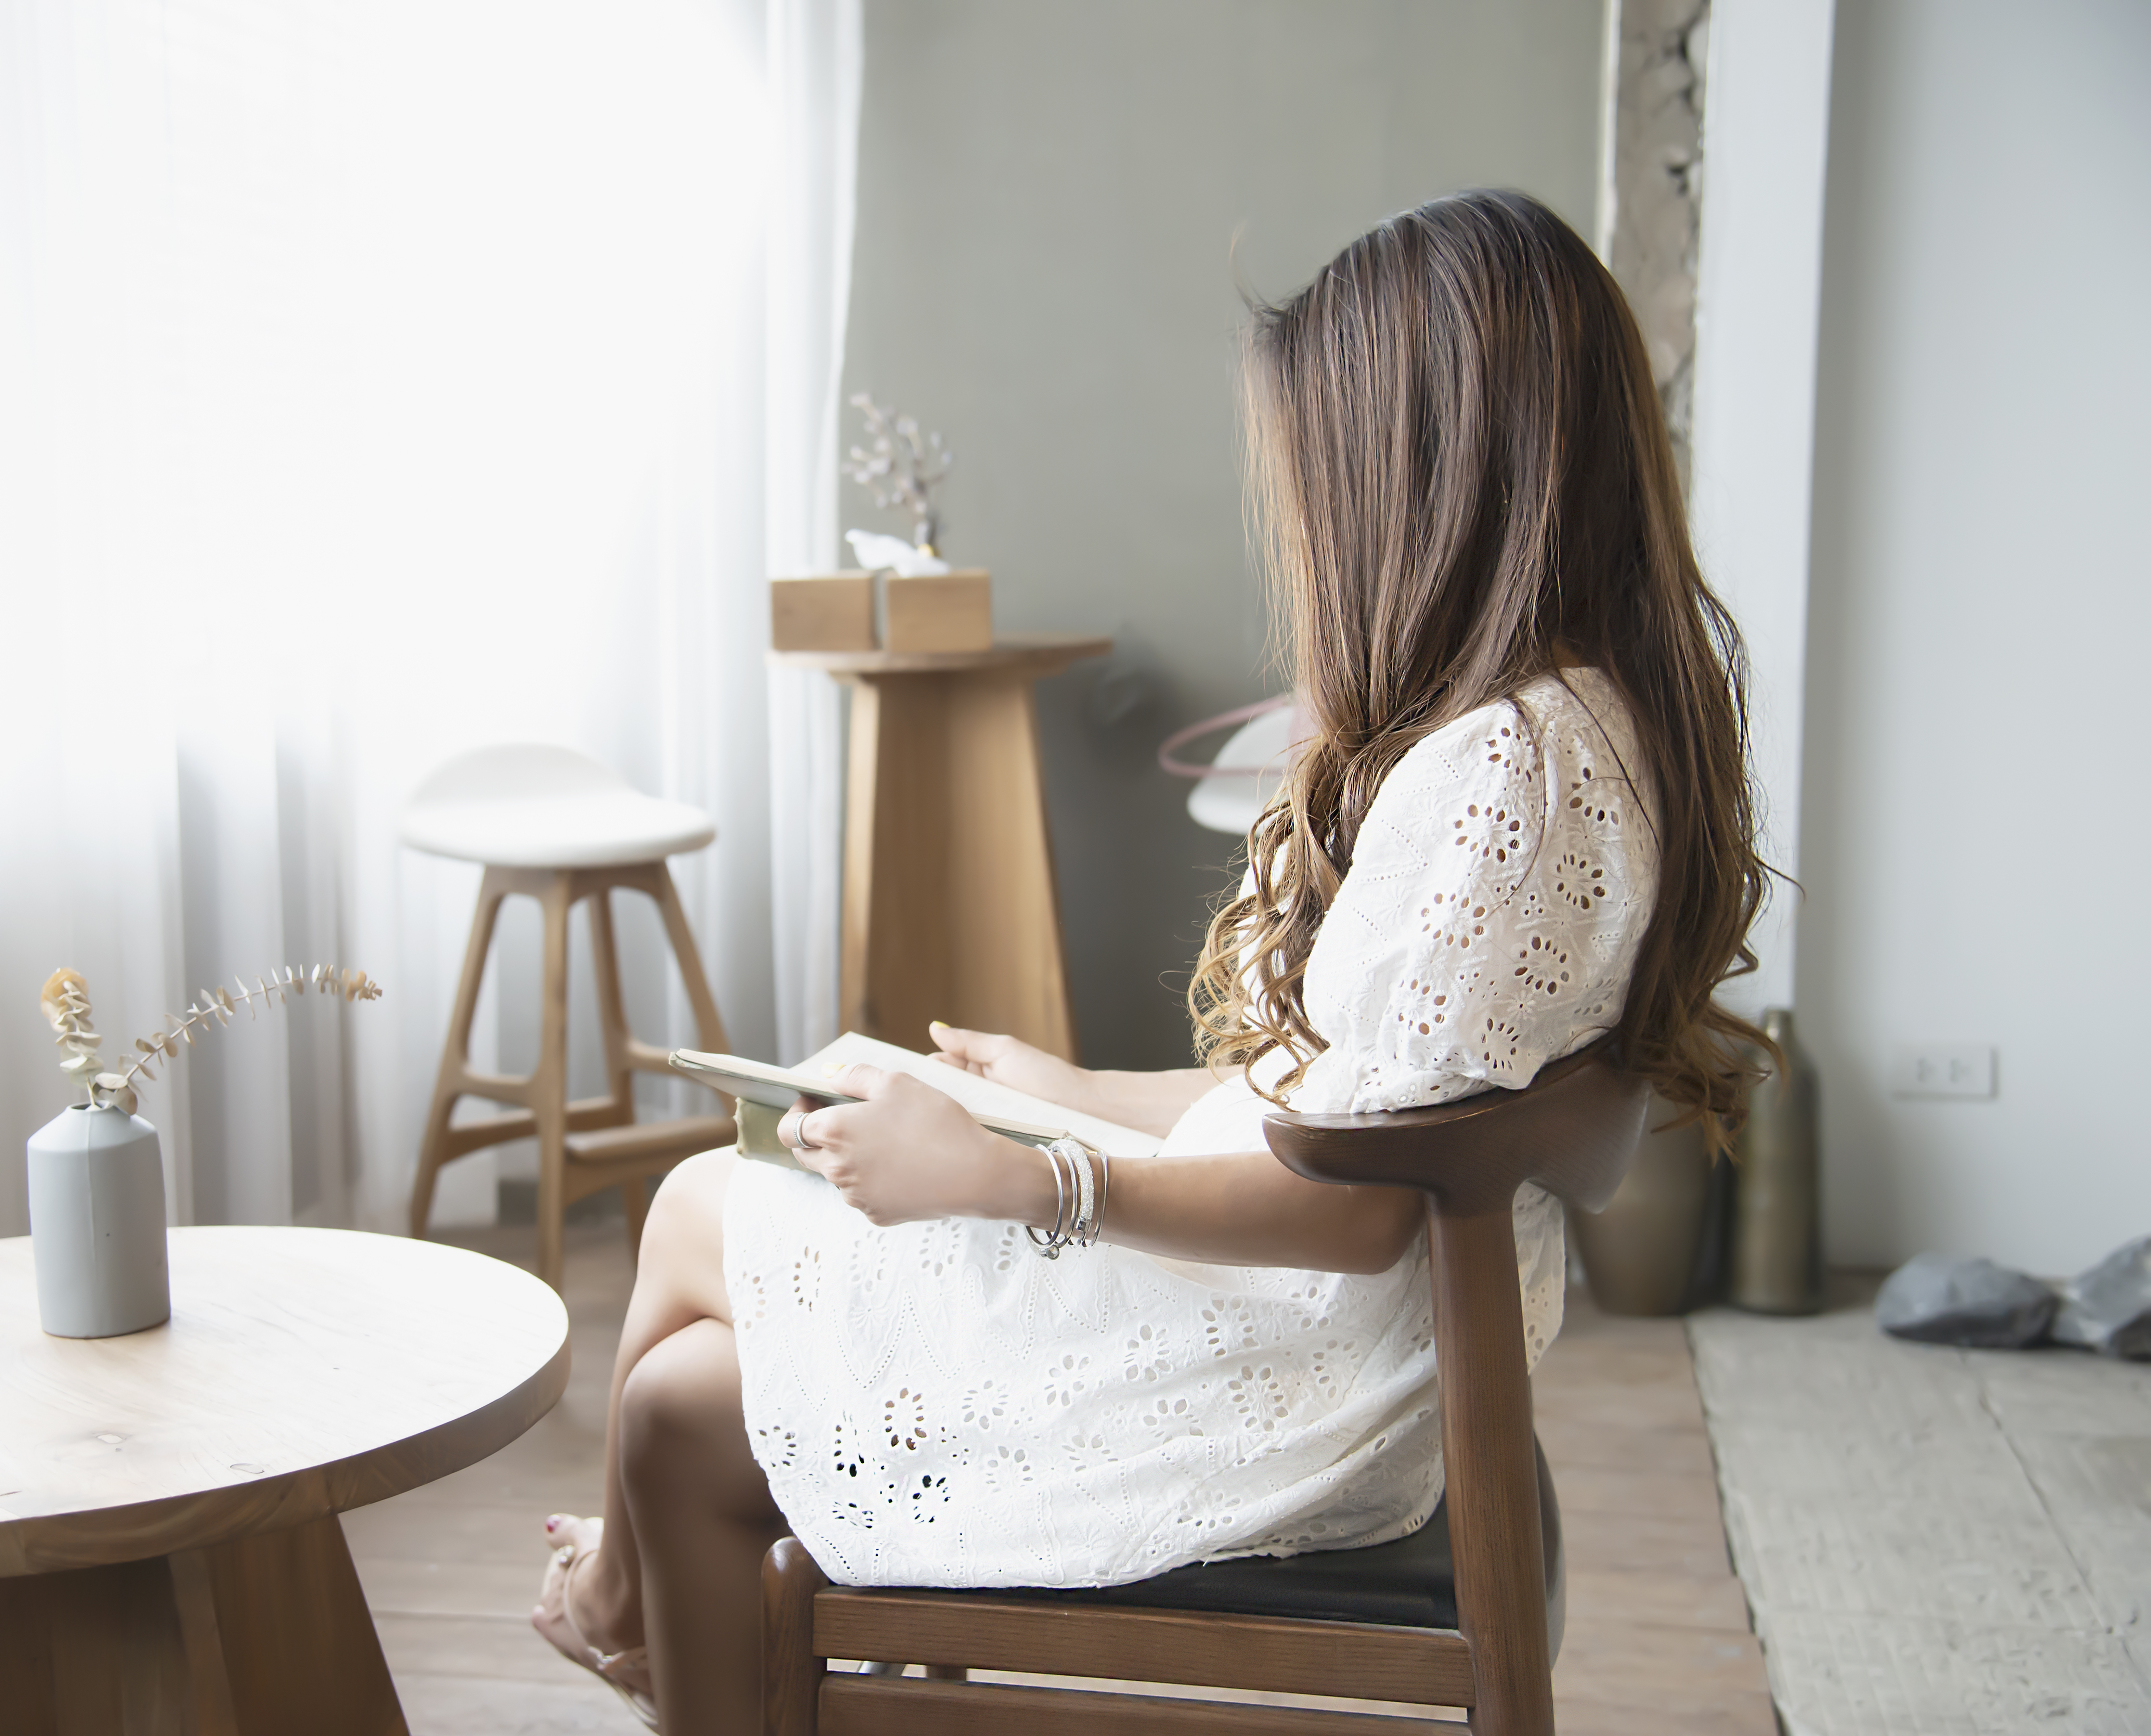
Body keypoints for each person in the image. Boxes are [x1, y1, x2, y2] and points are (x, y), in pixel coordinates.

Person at [527, 188, 1772, 1734]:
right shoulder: (1581, 728)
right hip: (1333, 1338)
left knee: (705, 1198)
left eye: (1330, 472)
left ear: (1435, 467)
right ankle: (627, 1603)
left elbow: (1363, 1203)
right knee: (672, 1403)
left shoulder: (1503, 771)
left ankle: (614, 1604)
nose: (1317, 523)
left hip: (1308, 1381)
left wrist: (1024, 1176)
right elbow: (1363, 1101)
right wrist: (1073, 1085)